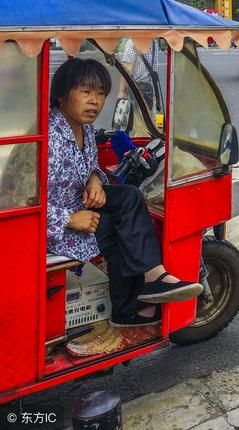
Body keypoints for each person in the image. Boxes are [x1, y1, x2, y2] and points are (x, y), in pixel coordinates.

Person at [48, 58, 203, 329]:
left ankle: (151, 282)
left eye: (100, 94)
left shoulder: (84, 128)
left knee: (128, 196)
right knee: (117, 227)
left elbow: (91, 165)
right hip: (51, 232)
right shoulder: (48, 138)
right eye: (85, 92)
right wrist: (69, 219)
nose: (94, 101)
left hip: (81, 206)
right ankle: (132, 307)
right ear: (61, 93)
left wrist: (95, 180)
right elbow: (17, 199)